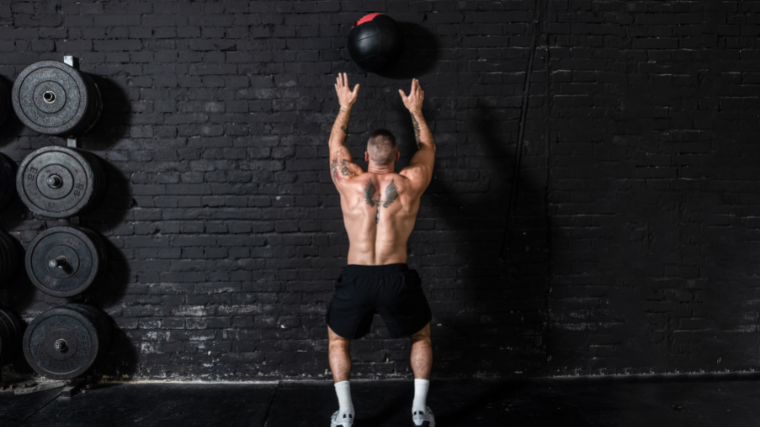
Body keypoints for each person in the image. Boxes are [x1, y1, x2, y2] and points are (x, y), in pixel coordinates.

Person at [325, 73, 436, 427]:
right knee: (420, 335)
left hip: (356, 276)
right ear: (398, 155)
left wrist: (345, 107)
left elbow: (334, 143)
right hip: (395, 276)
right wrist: (416, 112)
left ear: (364, 156)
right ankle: (419, 410)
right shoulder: (411, 183)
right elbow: (428, 149)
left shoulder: (348, 181)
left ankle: (345, 413)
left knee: (338, 341)